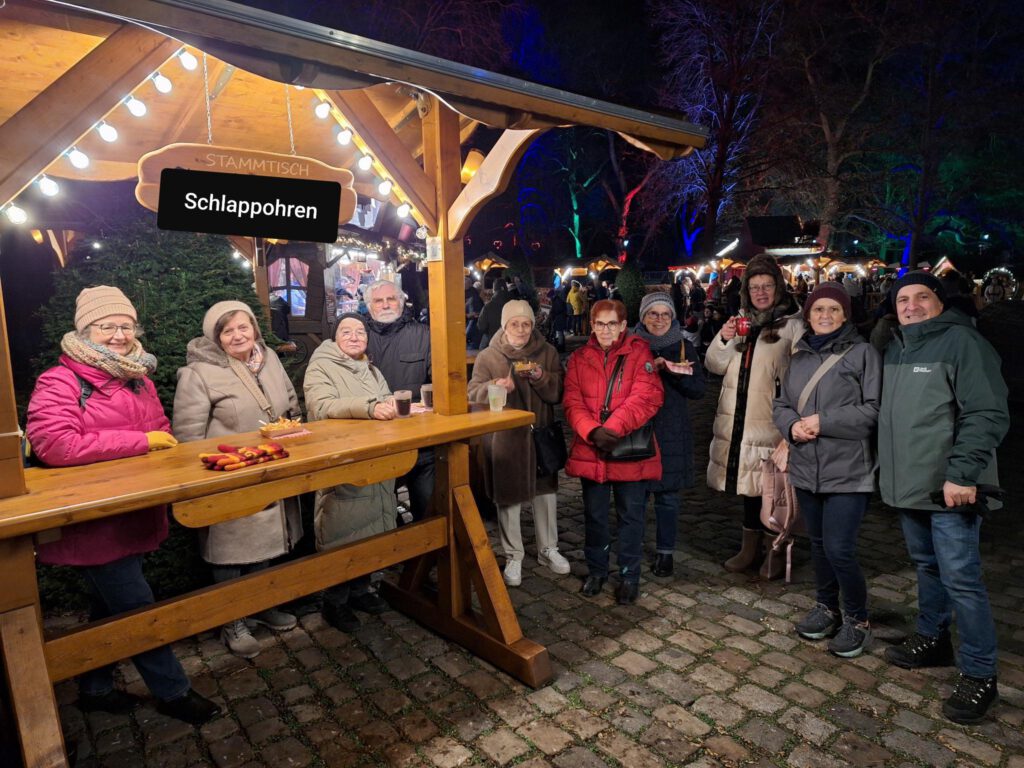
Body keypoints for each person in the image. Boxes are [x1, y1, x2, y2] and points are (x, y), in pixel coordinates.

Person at [26, 286, 219, 725]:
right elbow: (54, 444)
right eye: (106, 326)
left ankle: (94, 688)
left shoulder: (138, 378)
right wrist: (141, 442)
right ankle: (174, 692)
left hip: (133, 509)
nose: (118, 334)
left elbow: (162, 431)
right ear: (85, 330)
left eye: (125, 325)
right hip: (92, 518)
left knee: (108, 605)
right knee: (138, 609)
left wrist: (165, 454)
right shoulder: (61, 380)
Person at [878, 272, 1008, 725]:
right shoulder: (898, 346)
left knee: (963, 581)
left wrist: (962, 473)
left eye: (921, 297)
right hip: (911, 486)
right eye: (902, 300)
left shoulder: (962, 344)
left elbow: (987, 411)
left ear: (939, 301)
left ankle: (979, 673)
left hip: (949, 488)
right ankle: (933, 638)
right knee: (927, 567)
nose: (911, 306)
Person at [173, 301, 303, 659]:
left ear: (255, 330)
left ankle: (262, 605)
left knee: (266, 542)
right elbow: (186, 439)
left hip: (272, 467)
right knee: (230, 553)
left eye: (243, 327)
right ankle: (231, 619)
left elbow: (290, 402)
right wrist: (207, 480)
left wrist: (295, 426)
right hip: (230, 475)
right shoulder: (199, 373)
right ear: (216, 338)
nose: (237, 335)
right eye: (227, 331)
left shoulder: (270, 360)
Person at [772, 283, 881, 658]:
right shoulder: (799, 355)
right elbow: (783, 403)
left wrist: (823, 421)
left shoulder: (862, 353)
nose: (825, 316)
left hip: (848, 468)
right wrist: (790, 426)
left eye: (833, 309)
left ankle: (858, 619)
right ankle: (826, 606)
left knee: (839, 548)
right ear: (808, 315)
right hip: (807, 466)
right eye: (819, 309)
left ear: (845, 314)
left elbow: (872, 410)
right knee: (818, 545)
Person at [705, 255, 804, 580]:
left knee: (773, 491)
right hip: (740, 420)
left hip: (772, 422)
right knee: (749, 488)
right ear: (747, 290)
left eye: (767, 286)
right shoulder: (741, 321)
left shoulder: (793, 325)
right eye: (755, 286)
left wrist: (791, 427)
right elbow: (714, 366)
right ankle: (749, 549)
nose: (761, 292)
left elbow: (801, 380)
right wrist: (724, 337)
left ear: (779, 287)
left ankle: (774, 550)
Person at [563, 299, 664, 604]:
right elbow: (572, 400)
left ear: (622, 325)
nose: (605, 330)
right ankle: (597, 571)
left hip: (628, 450)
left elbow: (646, 397)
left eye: (611, 323)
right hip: (591, 449)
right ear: (591, 325)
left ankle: (629, 575)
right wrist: (592, 431)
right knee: (594, 516)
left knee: (631, 516)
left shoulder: (639, 353)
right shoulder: (580, 358)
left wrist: (614, 429)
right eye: (599, 323)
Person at [304, 313, 399, 632]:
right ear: (335, 338)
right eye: (347, 331)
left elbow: (387, 400)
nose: (355, 336)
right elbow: (321, 406)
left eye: (360, 331)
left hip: (374, 459)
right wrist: (370, 407)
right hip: (342, 461)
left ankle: (360, 590)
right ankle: (334, 600)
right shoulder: (321, 366)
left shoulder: (371, 369)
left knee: (370, 525)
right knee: (341, 527)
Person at [467, 300, 568, 586]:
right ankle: (514, 554)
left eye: (526, 323)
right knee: (508, 496)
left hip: (540, 434)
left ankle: (549, 549)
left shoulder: (547, 352)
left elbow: (559, 391)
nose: (521, 329)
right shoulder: (489, 356)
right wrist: (494, 387)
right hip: (505, 438)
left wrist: (541, 377)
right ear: (504, 325)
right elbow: (472, 392)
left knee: (545, 493)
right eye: (515, 323)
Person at [633, 293, 705, 577]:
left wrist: (674, 371)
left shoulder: (685, 346)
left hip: (672, 429)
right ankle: (632, 547)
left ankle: (665, 553)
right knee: (635, 497)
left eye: (665, 314)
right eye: (653, 314)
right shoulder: (631, 346)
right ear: (643, 317)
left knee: (668, 499)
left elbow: (699, 390)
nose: (659, 319)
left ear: (673, 317)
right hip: (637, 428)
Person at [363, 280, 434, 522]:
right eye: (378, 300)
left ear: (402, 302)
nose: (385, 305)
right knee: (379, 509)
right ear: (369, 306)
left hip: (418, 439)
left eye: (391, 299)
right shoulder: (357, 337)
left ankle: (427, 558)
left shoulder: (423, 335)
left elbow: (440, 382)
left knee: (427, 505)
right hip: (372, 439)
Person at [477, 279, 511, 349]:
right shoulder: (513, 304)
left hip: (492, 342)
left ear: (494, 290)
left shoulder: (488, 306)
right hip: (511, 342)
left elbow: (481, 326)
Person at [548, 287, 568, 351]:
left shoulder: (557, 300)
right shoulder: (558, 299)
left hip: (560, 317)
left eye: (549, 297)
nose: (549, 299)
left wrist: (552, 313)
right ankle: (561, 345)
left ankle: (560, 345)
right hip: (560, 317)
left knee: (560, 331)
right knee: (560, 332)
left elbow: (558, 309)